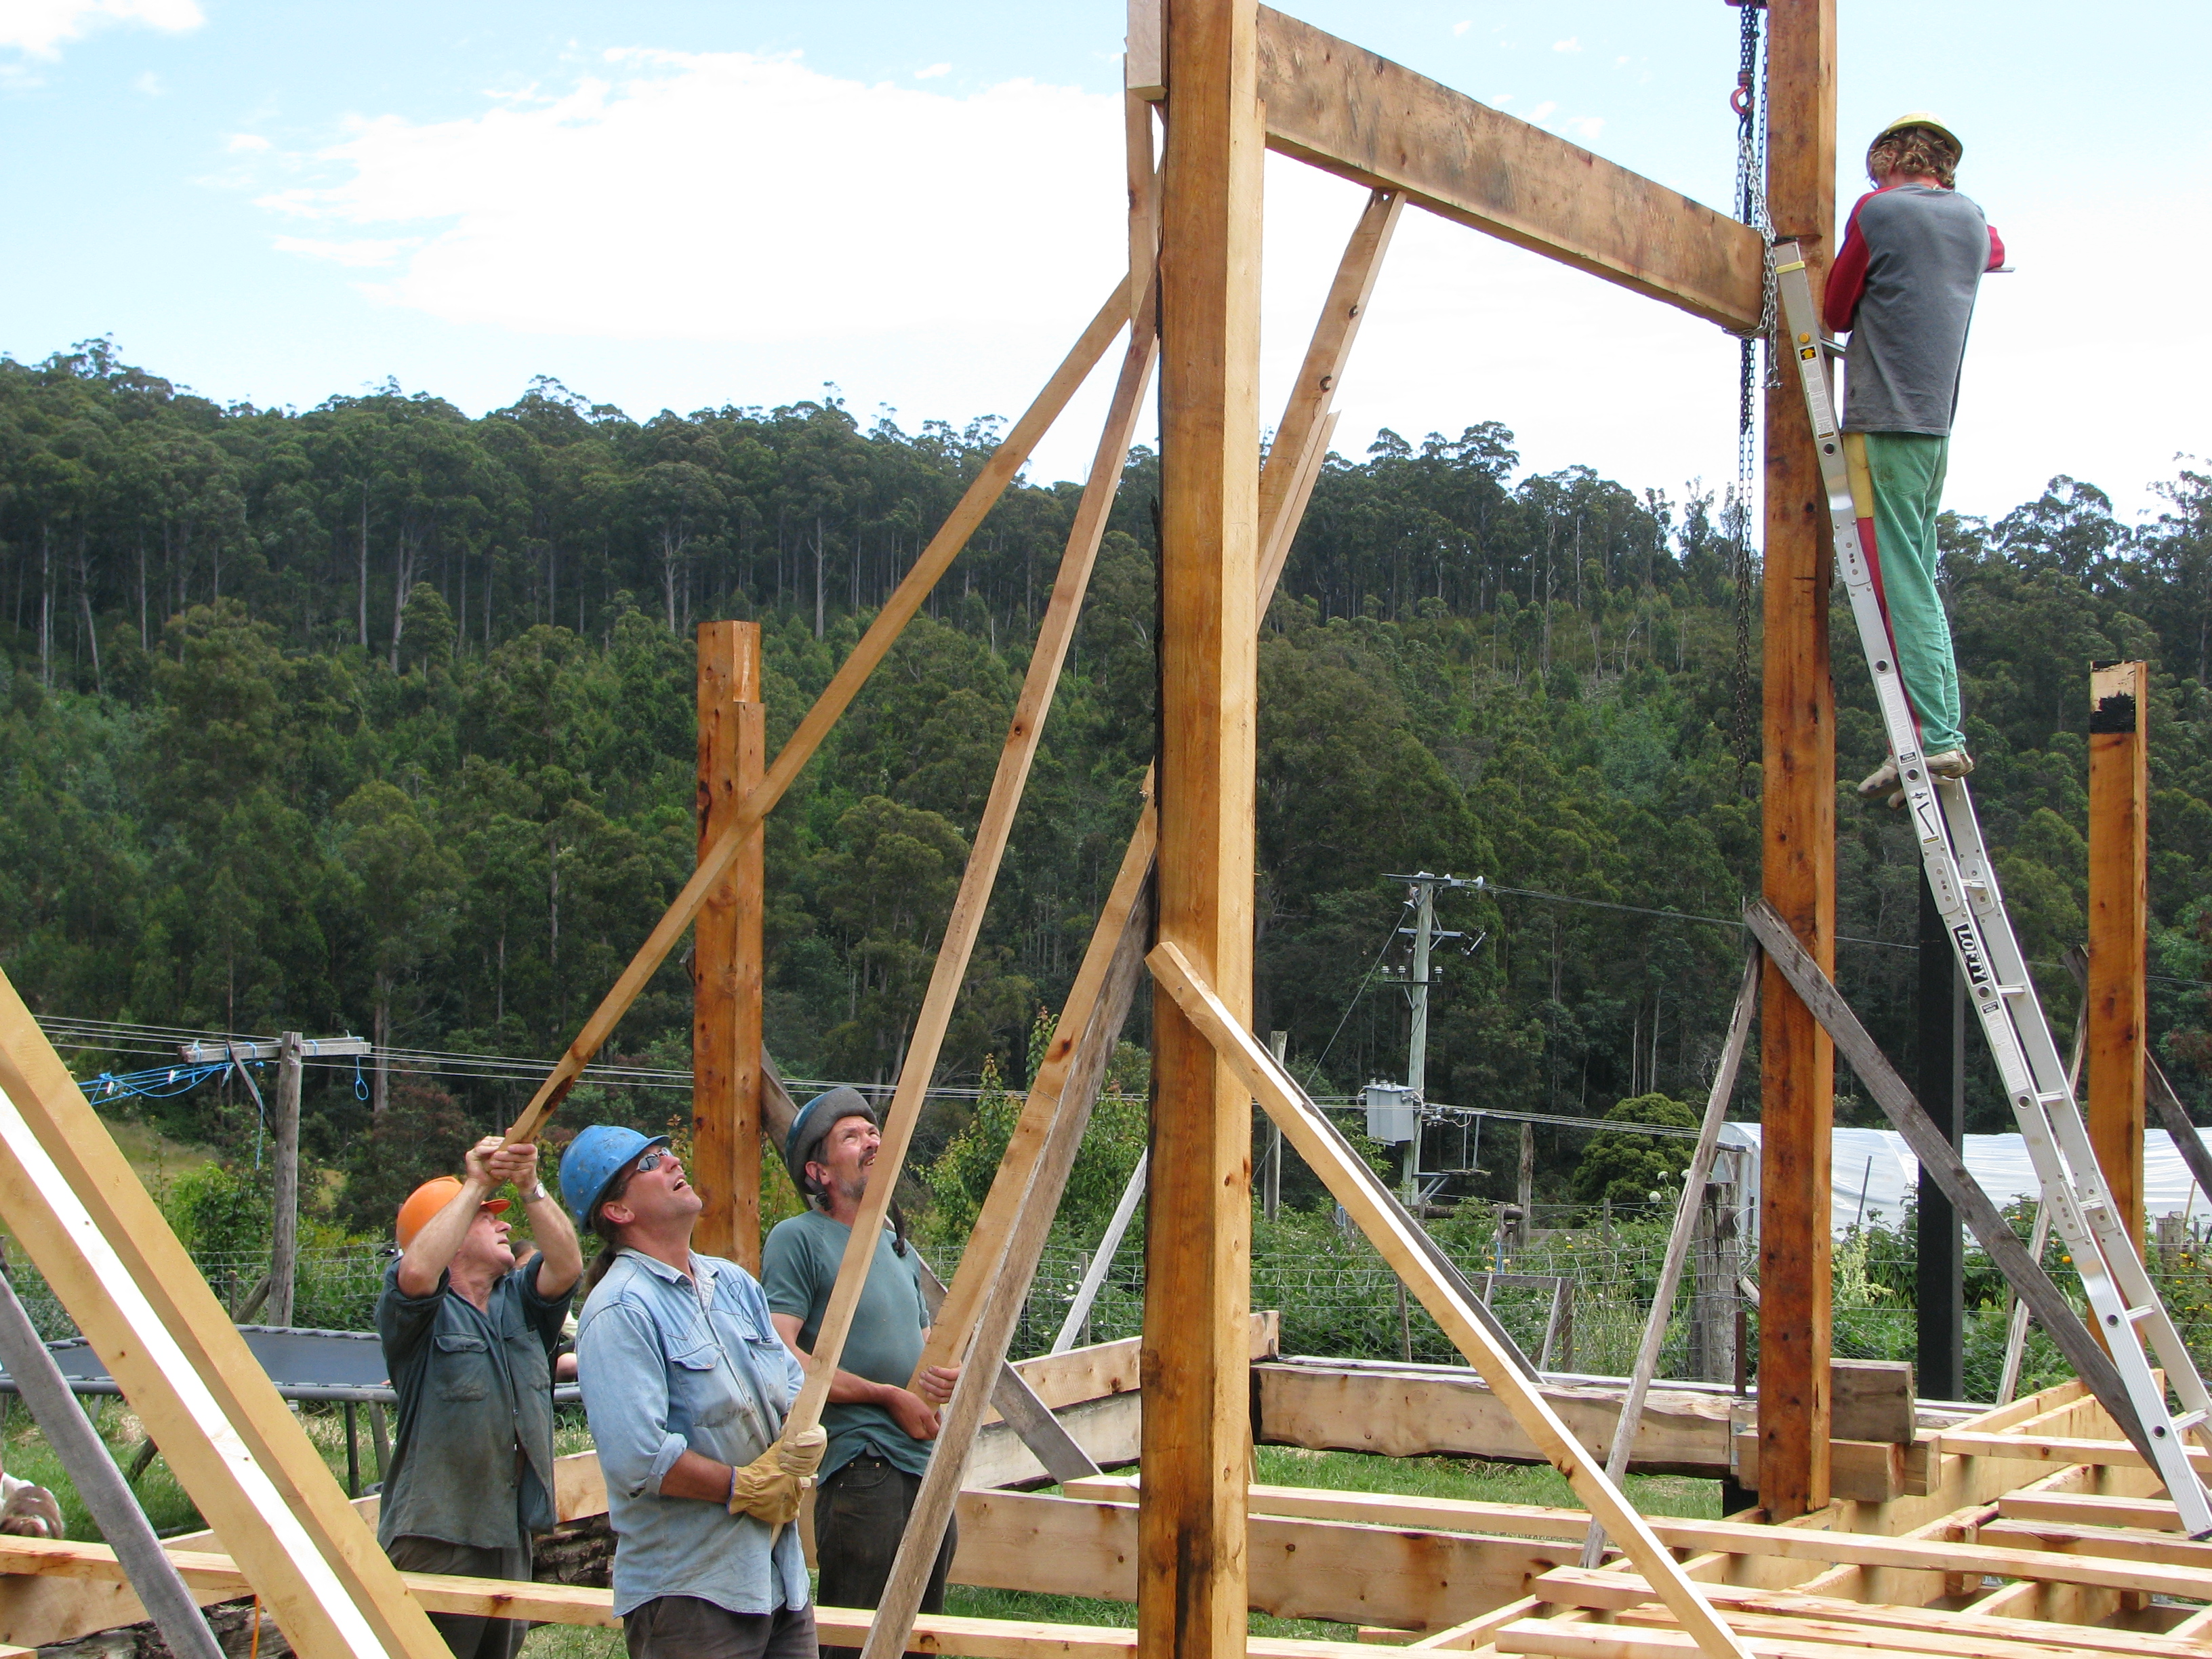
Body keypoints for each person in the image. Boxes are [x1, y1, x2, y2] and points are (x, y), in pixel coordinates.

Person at [563, 1125, 824, 1659]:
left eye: (666, 1152)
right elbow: (638, 1459)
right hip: (690, 1593)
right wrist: (742, 1486)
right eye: (650, 1163)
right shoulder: (620, 1310)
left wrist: (803, 1442)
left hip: (778, 1580)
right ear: (618, 1211)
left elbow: (791, 1383)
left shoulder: (732, 1284)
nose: (671, 1162)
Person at [1823, 113, 2007, 806]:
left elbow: (1838, 311)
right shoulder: (1972, 220)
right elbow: (1993, 248)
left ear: (1887, 163)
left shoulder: (1878, 213)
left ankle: (1933, 739)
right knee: (1918, 575)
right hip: (1934, 432)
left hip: (1882, 425)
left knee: (1896, 582)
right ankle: (1935, 735)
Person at [761, 1088, 959, 1648]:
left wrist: (945, 1376)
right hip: (862, 1464)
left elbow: (926, 1352)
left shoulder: (896, 1245)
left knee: (924, 1636)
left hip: (924, 1466)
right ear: (819, 1172)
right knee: (859, 1640)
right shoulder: (798, 1239)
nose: (872, 1141)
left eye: (873, 1132)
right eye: (852, 1136)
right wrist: (886, 1397)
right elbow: (783, 1357)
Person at [376, 1135, 581, 1659]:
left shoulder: (521, 1303)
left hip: (509, 1534)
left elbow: (567, 1265)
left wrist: (529, 1183)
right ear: (446, 1234)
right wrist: (475, 1185)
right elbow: (418, 1271)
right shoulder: (419, 1311)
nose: (505, 1224)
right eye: (488, 1217)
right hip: (439, 1535)